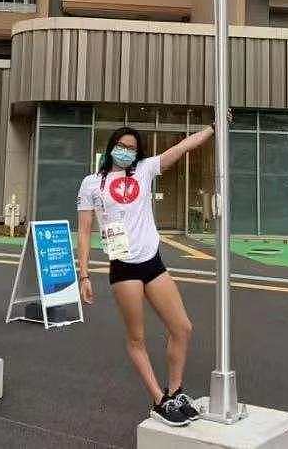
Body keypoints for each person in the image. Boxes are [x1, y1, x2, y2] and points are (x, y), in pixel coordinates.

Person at [77, 124, 215, 428]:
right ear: (111, 147)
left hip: (153, 262)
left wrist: (213, 128)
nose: (126, 151)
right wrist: (84, 273)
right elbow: (85, 231)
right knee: (137, 337)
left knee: (182, 328)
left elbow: (182, 148)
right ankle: (158, 400)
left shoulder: (144, 170)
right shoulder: (91, 184)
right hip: (123, 267)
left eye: (131, 148)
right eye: (121, 146)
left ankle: (175, 390)